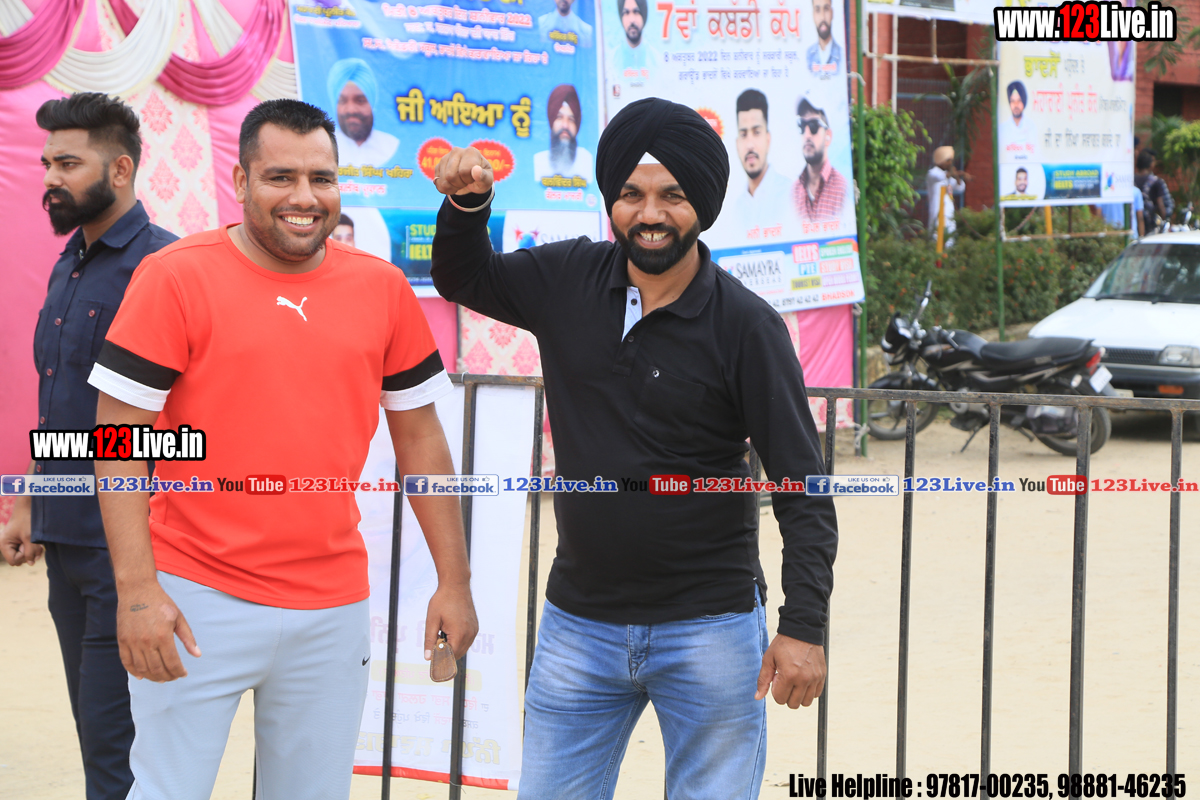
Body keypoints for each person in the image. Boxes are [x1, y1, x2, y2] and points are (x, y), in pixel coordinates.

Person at [429, 97, 837, 799]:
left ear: (703, 204)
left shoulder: (747, 327)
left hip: (710, 631)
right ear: (612, 201)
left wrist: (803, 625)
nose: (650, 214)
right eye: (632, 194)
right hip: (578, 628)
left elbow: (803, 489)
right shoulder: (567, 279)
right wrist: (467, 206)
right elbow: (464, 278)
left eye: (672, 195)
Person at [86, 99, 477, 800]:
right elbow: (117, 442)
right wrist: (138, 591)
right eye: (280, 177)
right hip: (193, 595)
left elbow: (420, 437)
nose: (305, 197)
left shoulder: (382, 289)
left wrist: (455, 581)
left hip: (331, 607)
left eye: (321, 179)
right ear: (240, 181)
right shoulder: (175, 277)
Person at [0, 93, 177, 800]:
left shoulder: (165, 267)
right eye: (47, 163)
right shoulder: (67, 264)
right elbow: (62, 398)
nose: (50, 178)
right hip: (66, 537)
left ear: (121, 169)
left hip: (129, 548)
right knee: (96, 736)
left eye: (68, 164)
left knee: (118, 750)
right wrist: (29, 500)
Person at [725, 89, 794, 238]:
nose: (750, 145)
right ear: (737, 144)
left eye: (756, 132)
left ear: (768, 139)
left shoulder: (792, 197)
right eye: (743, 134)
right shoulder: (737, 210)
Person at [327, 58, 399, 166]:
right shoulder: (324, 148)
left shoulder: (391, 146)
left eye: (360, 101)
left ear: (372, 103)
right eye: (343, 101)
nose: (351, 109)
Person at [793, 97, 847, 223]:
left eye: (813, 126)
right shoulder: (794, 192)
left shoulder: (842, 189)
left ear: (828, 136)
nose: (807, 135)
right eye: (802, 125)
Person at [533, 85, 594, 183]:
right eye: (559, 117)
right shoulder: (539, 161)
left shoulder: (587, 160)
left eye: (571, 119)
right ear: (551, 121)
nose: (565, 125)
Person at [926, 145, 969, 246]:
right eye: (948, 160)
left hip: (949, 215)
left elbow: (960, 188)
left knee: (950, 243)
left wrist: (957, 176)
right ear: (940, 160)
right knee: (936, 242)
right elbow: (940, 177)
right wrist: (952, 173)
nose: (950, 163)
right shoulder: (932, 173)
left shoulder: (948, 176)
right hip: (937, 214)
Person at [1135, 149, 1173, 232]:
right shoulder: (1156, 181)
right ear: (1150, 165)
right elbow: (1160, 204)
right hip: (1150, 224)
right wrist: (1164, 220)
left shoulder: (1132, 181)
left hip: (1134, 223)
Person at [998, 81, 1035, 161]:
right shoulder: (1003, 128)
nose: (1016, 105)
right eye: (1013, 101)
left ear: (1024, 102)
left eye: (1019, 101)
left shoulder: (1032, 127)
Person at [805, 0, 842, 77]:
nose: (822, 17)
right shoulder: (808, 56)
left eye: (826, 9)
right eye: (817, 10)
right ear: (813, 15)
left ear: (832, 13)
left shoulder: (841, 54)